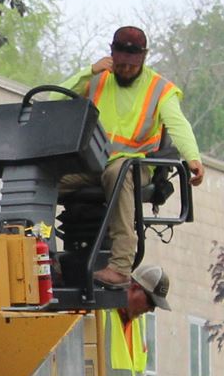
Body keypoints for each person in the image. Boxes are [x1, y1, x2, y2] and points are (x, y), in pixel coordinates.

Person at [79, 26, 204, 233]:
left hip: (134, 166)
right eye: (121, 65)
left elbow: (178, 124)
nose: (126, 69)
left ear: (144, 57)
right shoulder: (95, 79)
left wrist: (193, 157)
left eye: (132, 65)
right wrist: (89, 71)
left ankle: (121, 260)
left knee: (118, 173)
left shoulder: (160, 89)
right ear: (111, 54)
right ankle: (38, 251)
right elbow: (54, 101)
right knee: (43, 175)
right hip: (93, 164)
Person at [99, 262, 169, 376]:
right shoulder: (100, 314)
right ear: (134, 288)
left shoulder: (138, 323)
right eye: (150, 301)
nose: (151, 309)